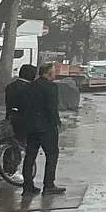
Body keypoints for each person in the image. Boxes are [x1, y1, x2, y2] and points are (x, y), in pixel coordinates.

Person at [22, 62, 66, 196]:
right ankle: (49, 185)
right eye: (53, 71)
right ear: (48, 73)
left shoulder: (30, 86)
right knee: (52, 155)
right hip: (46, 127)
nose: (55, 74)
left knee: (30, 156)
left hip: (31, 126)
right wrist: (57, 122)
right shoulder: (51, 87)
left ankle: (28, 187)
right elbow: (52, 107)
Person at [5, 64, 37, 145]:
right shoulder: (30, 88)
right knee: (22, 142)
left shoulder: (11, 86)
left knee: (11, 141)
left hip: (10, 117)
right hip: (25, 119)